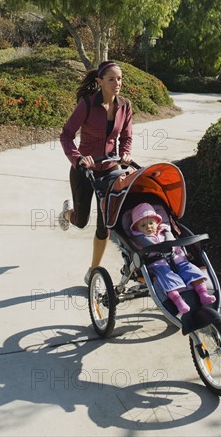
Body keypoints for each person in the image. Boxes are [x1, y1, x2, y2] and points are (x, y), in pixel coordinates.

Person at [59, 61, 133, 285]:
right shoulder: (87, 105)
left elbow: (126, 137)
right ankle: (66, 213)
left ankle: (93, 271)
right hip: (84, 169)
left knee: (105, 224)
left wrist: (125, 154)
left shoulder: (125, 106)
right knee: (81, 222)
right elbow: (66, 134)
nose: (117, 83)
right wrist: (78, 158)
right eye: (111, 79)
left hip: (110, 169)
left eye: (119, 79)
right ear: (100, 82)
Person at [129, 202, 216, 314]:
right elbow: (137, 252)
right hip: (159, 265)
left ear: (157, 222)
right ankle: (179, 302)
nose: (148, 227)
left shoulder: (165, 232)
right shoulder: (139, 240)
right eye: (143, 225)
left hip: (178, 260)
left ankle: (203, 295)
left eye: (151, 223)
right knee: (168, 281)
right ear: (136, 228)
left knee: (193, 272)